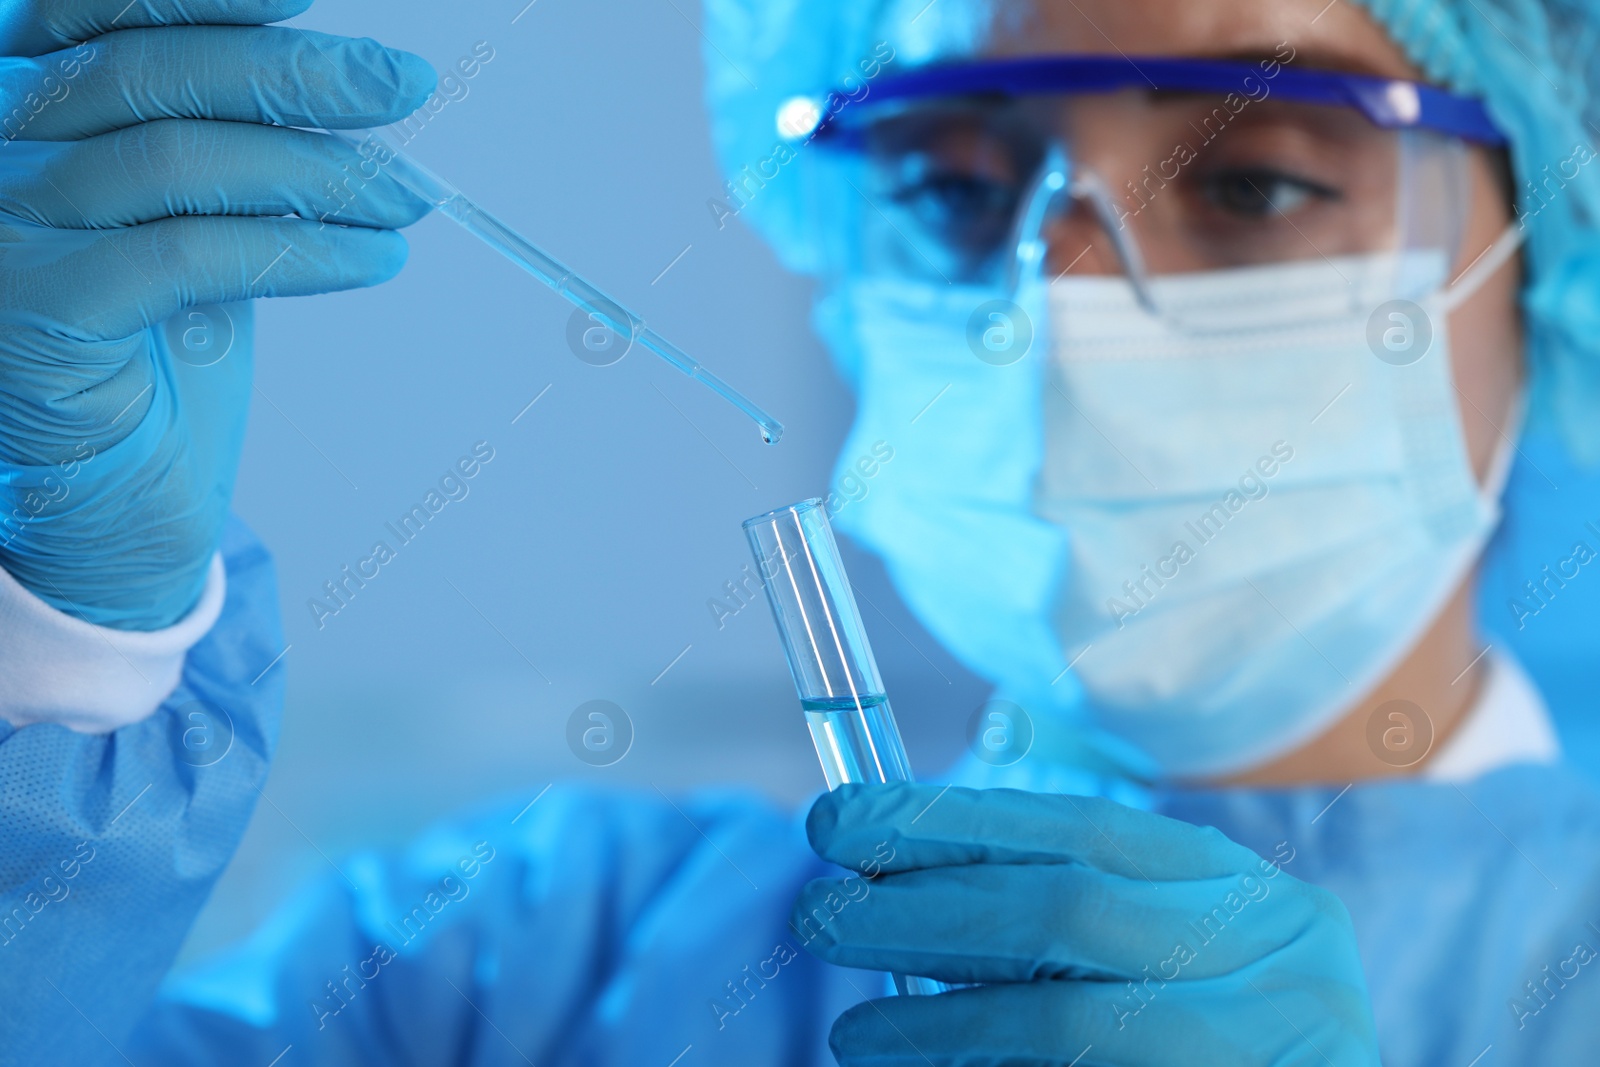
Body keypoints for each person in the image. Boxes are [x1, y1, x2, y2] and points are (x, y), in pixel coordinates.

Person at [1, 0, 1598, 1063]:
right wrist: (70, 651)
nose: (1058, 296)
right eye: (962, 194)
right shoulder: (528, 964)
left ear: (1550, 255)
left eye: (1248, 183)